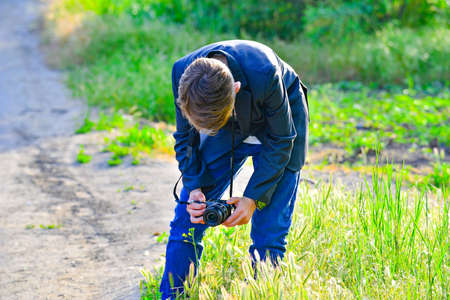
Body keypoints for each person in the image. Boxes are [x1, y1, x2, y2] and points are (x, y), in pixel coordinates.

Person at [159, 40, 309, 299]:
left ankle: (263, 292)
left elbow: (283, 140)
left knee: (269, 228)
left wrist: (252, 200)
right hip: (223, 123)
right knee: (188, 216)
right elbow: (184, 138)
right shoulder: (182, 74)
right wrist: (194, 187)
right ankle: (172, 295)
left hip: (283, 127)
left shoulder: (265, 70)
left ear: (236, 89)